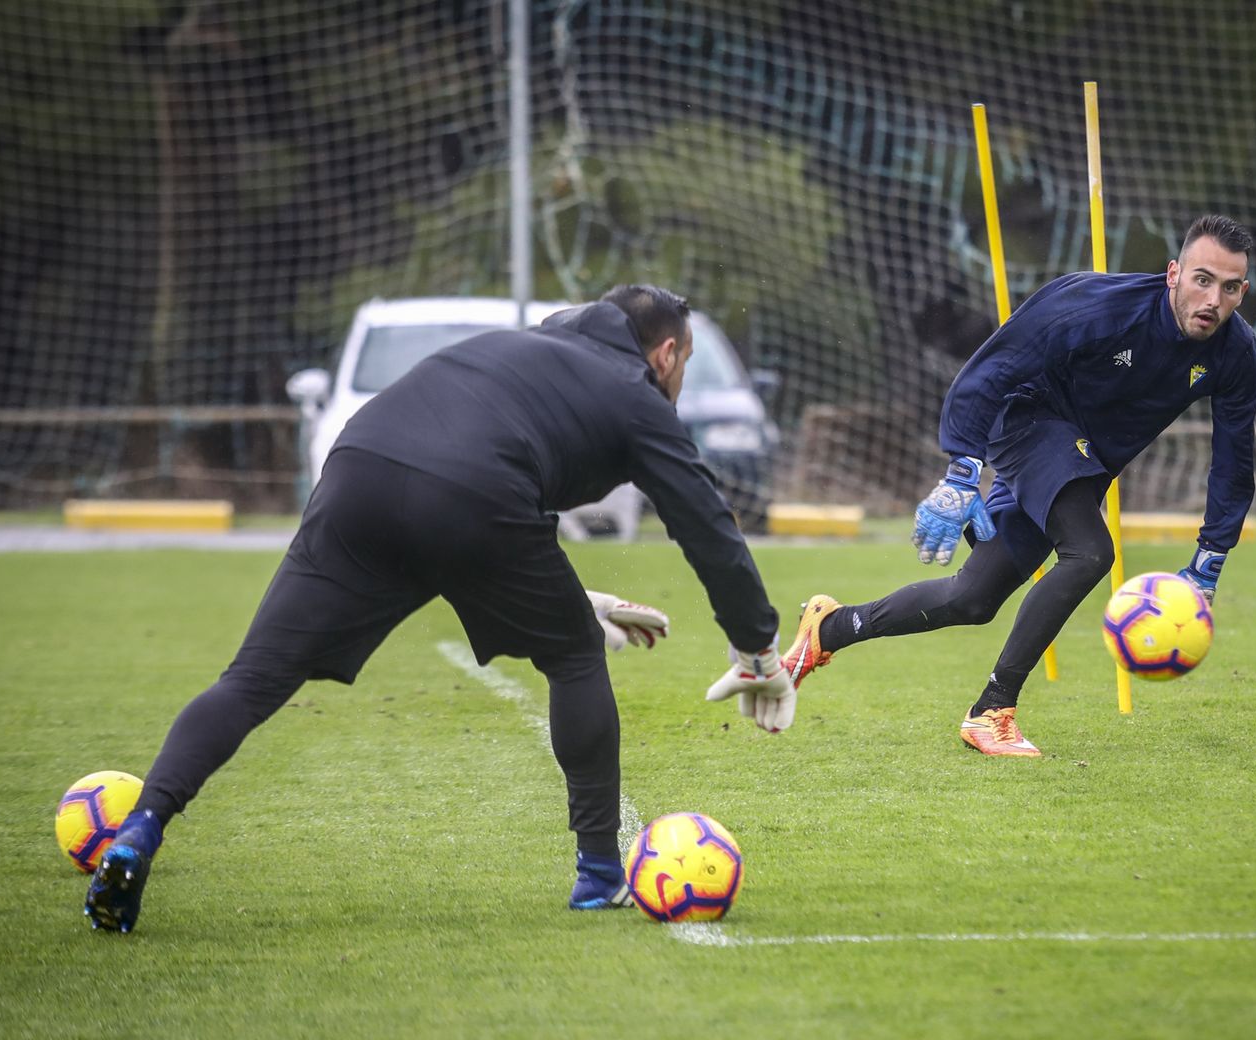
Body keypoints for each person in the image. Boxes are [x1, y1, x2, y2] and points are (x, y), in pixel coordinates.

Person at [85, 284, 798, 933]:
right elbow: (707, 526)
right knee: (575, 654)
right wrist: (757, 650)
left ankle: (140, 827)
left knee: (252, 678)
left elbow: (463, 479)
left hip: (361, 462)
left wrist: (569, 595)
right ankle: (598, 876)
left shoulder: (528, 347)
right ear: (667, 352)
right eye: (685, 362)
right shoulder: (637, 397)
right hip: (470, 493)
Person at [780, 214, 1256, 757]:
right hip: (1028, 422)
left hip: (1079, 464)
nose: (1212, 299)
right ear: (1173, 273)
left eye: (1229, 288)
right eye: (1202, 279)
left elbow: (1233, 459)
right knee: (1089, 552)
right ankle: (992, 711)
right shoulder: (1097, 304)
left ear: (1242, 292)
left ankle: (830, 628)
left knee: (972, 599)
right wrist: (961, 471)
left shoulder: (1236, 353)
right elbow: (990, 370)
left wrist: (1210, 559)